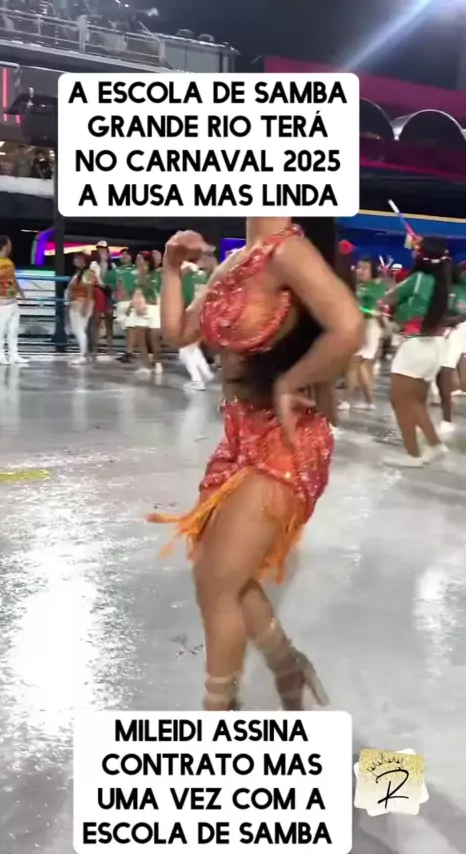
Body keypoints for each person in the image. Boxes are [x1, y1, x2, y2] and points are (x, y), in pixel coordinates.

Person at [148, 218, 363, 711]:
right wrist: (172, 269)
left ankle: (219, 713)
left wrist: (291, 382)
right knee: (221, 571)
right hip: (237, 437)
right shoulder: (235, 261)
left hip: (286, 438)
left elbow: (349, 326)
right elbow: (179, 331)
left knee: (214, 582)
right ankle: (288, 668)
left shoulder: (288, 252)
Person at [383, 237, 451, 468]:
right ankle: (434, 443)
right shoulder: (442, 283)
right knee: (417, 402)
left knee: (400, 401)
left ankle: (413, 454)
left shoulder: (418, 278)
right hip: (436, 346)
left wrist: (387, 298)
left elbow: (389, 299)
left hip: (415, 347)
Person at [339, 258, 385, 412]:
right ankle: (368, 401)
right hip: (359, 326)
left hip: (369, 327)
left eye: (365, 268)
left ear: (373, 271)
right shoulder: (358, 286)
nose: (360, 271)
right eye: (359, 267)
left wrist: (359, 309)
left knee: (356, 363)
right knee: (357, 364)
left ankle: (349, 401)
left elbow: (374, 312)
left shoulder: (376, 288)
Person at [434, 265, 466, 439]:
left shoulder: (459, 289)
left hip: (456, 330)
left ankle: (447, 420)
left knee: (445, 370)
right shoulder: (437, 286)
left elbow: (461, 315)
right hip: (438, 330)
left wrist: (445, 321)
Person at [0, 235, 28, 365]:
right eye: (10, 244)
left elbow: (13, 278)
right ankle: (0, 354)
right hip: (0, 300)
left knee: (13, 328)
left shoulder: (9, 262)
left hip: (12, 300)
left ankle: (13, 354)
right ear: (4, 245)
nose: (11, 247)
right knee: (0, 328)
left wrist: (20, 291)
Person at [178, 258, 215, 391]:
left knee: (184, 350)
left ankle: (197, 380)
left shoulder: (186, 275)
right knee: (191, 348)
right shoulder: (203, 275)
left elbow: (186, 297)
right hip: (204, 312)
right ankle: (206, 373)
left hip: (193, 313)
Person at [89, 241, 117, 358]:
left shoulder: (112, 265)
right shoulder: (94, 264)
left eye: (103, 249)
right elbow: (91, 279)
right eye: (99, 249)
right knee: (96, 321)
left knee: (109, 320)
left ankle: (110, 347)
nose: (101, 251)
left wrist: (112, 287)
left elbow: (115, 280)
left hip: (108, 293)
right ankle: (94, 348)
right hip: (98, 291)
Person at [67, 251, 95, 364]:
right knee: (77, 329)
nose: (76, 260)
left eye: (78, 259)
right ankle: (85, 353)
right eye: (75, 258)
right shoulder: (77, 274)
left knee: (79, 329)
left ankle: (83, 355)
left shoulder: (88, 274)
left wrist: (85, 307)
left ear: (84, 262)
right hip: (75, 304)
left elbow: (90, 292)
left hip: (82, 304)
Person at [115, 248, 138, 364]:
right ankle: (129, 351)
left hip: (131, 302)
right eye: (122, 254)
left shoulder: (136, 270)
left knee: (130, 327)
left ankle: (129, 352)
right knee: (126, 328)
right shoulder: (116, 270)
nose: (124, 256)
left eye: (127, 254)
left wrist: (134, 302)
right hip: (119, 303)